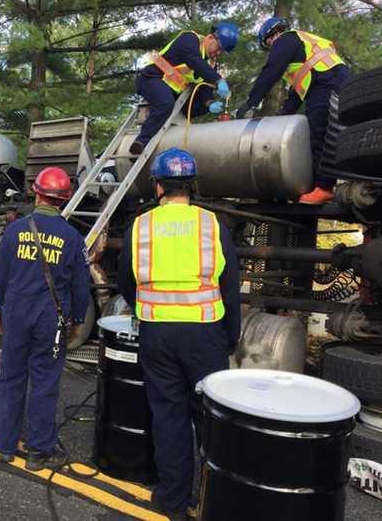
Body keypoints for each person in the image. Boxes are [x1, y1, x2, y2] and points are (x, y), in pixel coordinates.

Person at [117, 148, 240, 520]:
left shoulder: (141, 225)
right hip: (205, 334)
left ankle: (173, 501)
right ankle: (216, 498)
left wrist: (147, 308)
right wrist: (229, 335)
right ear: (193, 185)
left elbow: (126, 281)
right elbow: (230, 285)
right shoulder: (211, 224)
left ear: (157, 186)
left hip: (157, 333)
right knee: (211, 419)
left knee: (168, 417)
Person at [0, 167, 91, 471]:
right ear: (63, 200)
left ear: (36, 192)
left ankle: (5, 446)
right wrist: (75, 320)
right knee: (45, 381)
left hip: (16, 314)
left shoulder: (14, 230)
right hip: (51, 319)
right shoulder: (73, 237)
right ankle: (38, 451)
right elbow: (80, 286)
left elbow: (1, 276)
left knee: (11, 377)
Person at [236, 17, 350, 205]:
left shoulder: (286, 39)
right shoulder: (303, 46)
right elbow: (296, 94)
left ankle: (324, 188)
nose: (271, 48)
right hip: (334, 81)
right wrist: (282, 116)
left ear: (271, 35)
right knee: (329, 131)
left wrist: (251, 102)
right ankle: (317, 185)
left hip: (326, 84)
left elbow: (271, 70)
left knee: (319, 133)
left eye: (268, 44)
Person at [130, 22, 239, 156]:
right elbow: (194, 61)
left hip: (174, 92)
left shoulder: (210, 64)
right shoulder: (189, 39)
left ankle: (173, 130)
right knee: (165, 103)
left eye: (221, 52)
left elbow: (205, 88)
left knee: (201, 106)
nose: (218, 53)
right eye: (218, 48)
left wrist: (209, 103)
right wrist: (219, 80)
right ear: (210, 37)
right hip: (153, 78)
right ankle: (141, 142)